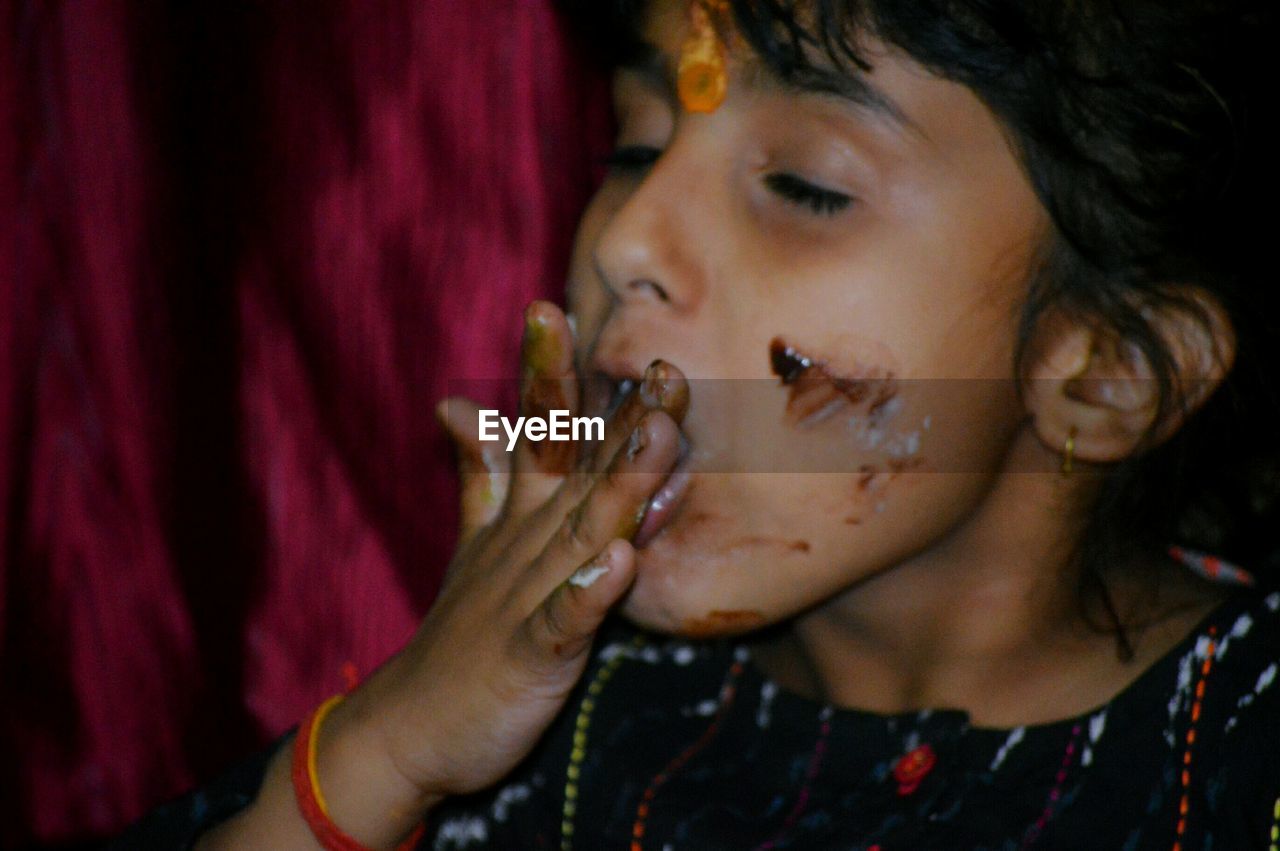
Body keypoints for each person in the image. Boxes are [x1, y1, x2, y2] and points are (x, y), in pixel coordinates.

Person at [116, 0, 1279, 847]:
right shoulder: (533, 711)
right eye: (632, 147)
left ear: (1105, 371)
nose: (624, 241)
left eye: (807, 186)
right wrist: (390, 751)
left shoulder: (1238, 744)